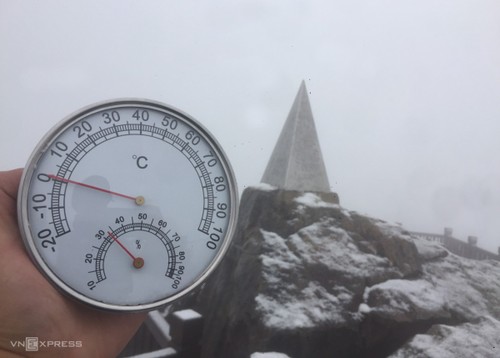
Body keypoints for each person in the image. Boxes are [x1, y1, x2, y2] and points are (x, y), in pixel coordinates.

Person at [0, 169, 146, 357]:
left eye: (102, 201)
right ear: (78, 204)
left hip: (117, 305)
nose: (100, 206)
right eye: (94, 200)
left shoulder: (114, 233)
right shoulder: (69, 238)